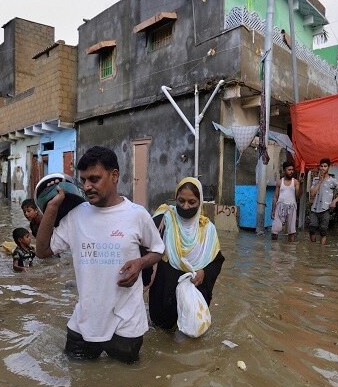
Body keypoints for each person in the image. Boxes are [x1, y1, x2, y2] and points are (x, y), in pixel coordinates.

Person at [35, 146, 164, 363]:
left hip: (126, 324)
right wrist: (51, 208)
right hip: (85, 322)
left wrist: (140, 263)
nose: (87, 186)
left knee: (125, 384)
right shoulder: (76, 216)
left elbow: (158, 250)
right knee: (77, 378)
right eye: (83, 180)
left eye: (94, 179)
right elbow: (42, 252)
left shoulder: (137, 215)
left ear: (114, 176)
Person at [144, 178, 225, 330]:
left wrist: (203, 272)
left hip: (194, 291)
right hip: (164, 295)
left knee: (190, 335)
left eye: (191, 202)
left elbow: (217, 261)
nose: (185, 206)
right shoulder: (164, 220)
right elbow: (146, 250)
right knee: (161, 334)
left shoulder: (207, 229)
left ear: (199, 202)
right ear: (175, 198)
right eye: (181, 201)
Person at [308, 158, 338, 245]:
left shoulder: (332, 181)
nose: (323, 168)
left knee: (323, 230)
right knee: (312, 228)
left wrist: (334, 201)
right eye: (321, 166)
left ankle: (322, 251)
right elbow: (312, 193)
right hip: (314, 209)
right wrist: (320, 181)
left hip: (326, 209)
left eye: (325, 166)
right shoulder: (316, 180)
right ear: (319, 167)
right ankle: (312, 249)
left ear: (328, 167)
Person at [271, 161, 301, 242]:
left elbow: (298, 197)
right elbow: (275, 197)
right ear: (284, 170)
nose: (291, 171)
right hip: (280, 206)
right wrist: (273, 210)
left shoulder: (295, 182)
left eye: (292, 170)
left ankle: (290, 251)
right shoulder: (279, 182)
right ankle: (274, 250)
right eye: (289, 170)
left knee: (291, 231)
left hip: (292, 206)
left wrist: (299, 185)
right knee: (274, 230)